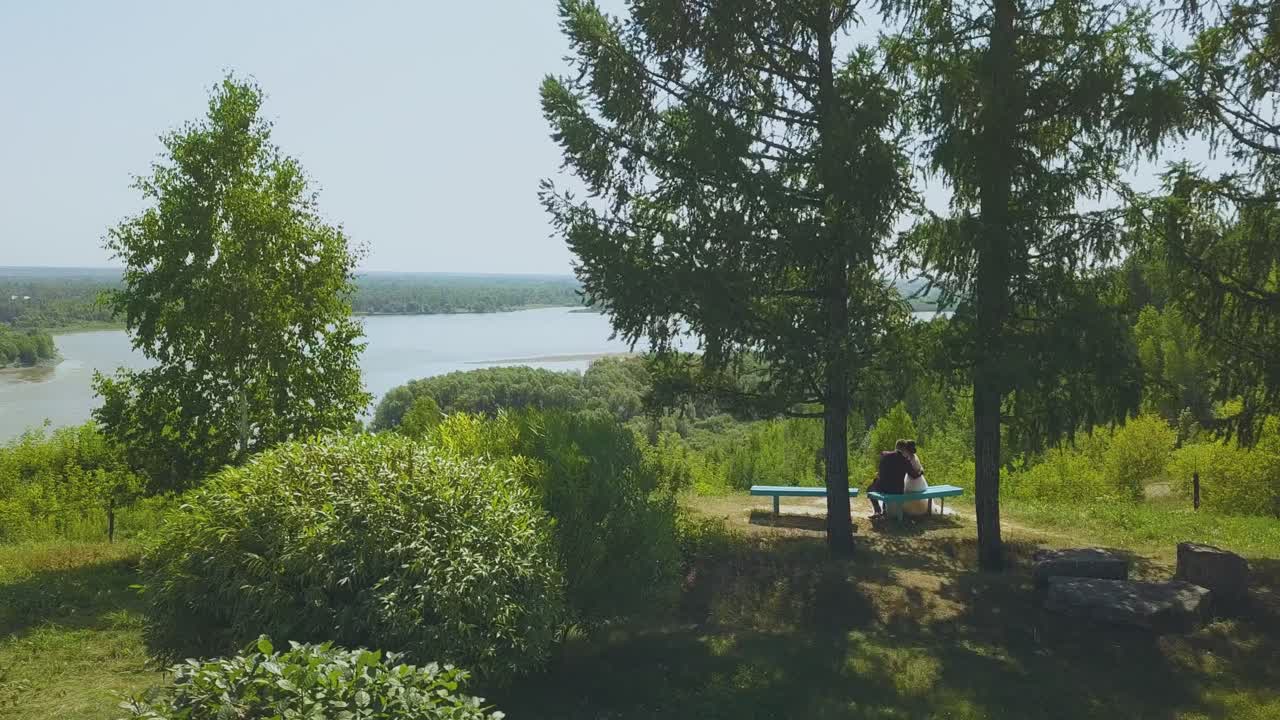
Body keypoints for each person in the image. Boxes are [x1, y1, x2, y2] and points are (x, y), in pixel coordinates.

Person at [868, 439, 923, 518]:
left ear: (896, 446)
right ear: (904, 449)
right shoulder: (905, 461)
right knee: (882, 483)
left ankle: (877, 510)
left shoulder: (885, 455)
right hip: (898, 490)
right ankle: (884, 510)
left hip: (884, 488)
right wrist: (921, 471)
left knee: (870, 488)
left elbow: (880, 470)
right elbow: (914, 476)